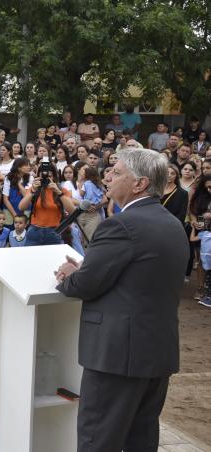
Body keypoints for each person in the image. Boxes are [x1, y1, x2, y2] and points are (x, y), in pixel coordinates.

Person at [54, 148, 188, 451]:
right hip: (156, 351)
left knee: (98, 439)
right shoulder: (172, 223)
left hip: (117, 356)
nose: (107, 175)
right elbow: (139, 277)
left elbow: (86, 284)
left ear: (139, 184)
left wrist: (68, 275)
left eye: (116, 171)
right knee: (141, 439)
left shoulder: (120, 225)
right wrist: (87, 269)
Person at [19, 160, 76, 246]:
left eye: (49, 176)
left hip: (54, 231)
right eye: (44, 176)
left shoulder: (61, 190)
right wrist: (33, 191)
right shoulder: (34, 189)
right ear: (38, 176)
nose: (46, 179)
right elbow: (21, 207)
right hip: (35, 230)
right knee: (31, 258)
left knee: (54, 259)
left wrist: (58, 192)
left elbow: (72, 210)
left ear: (54, 176)